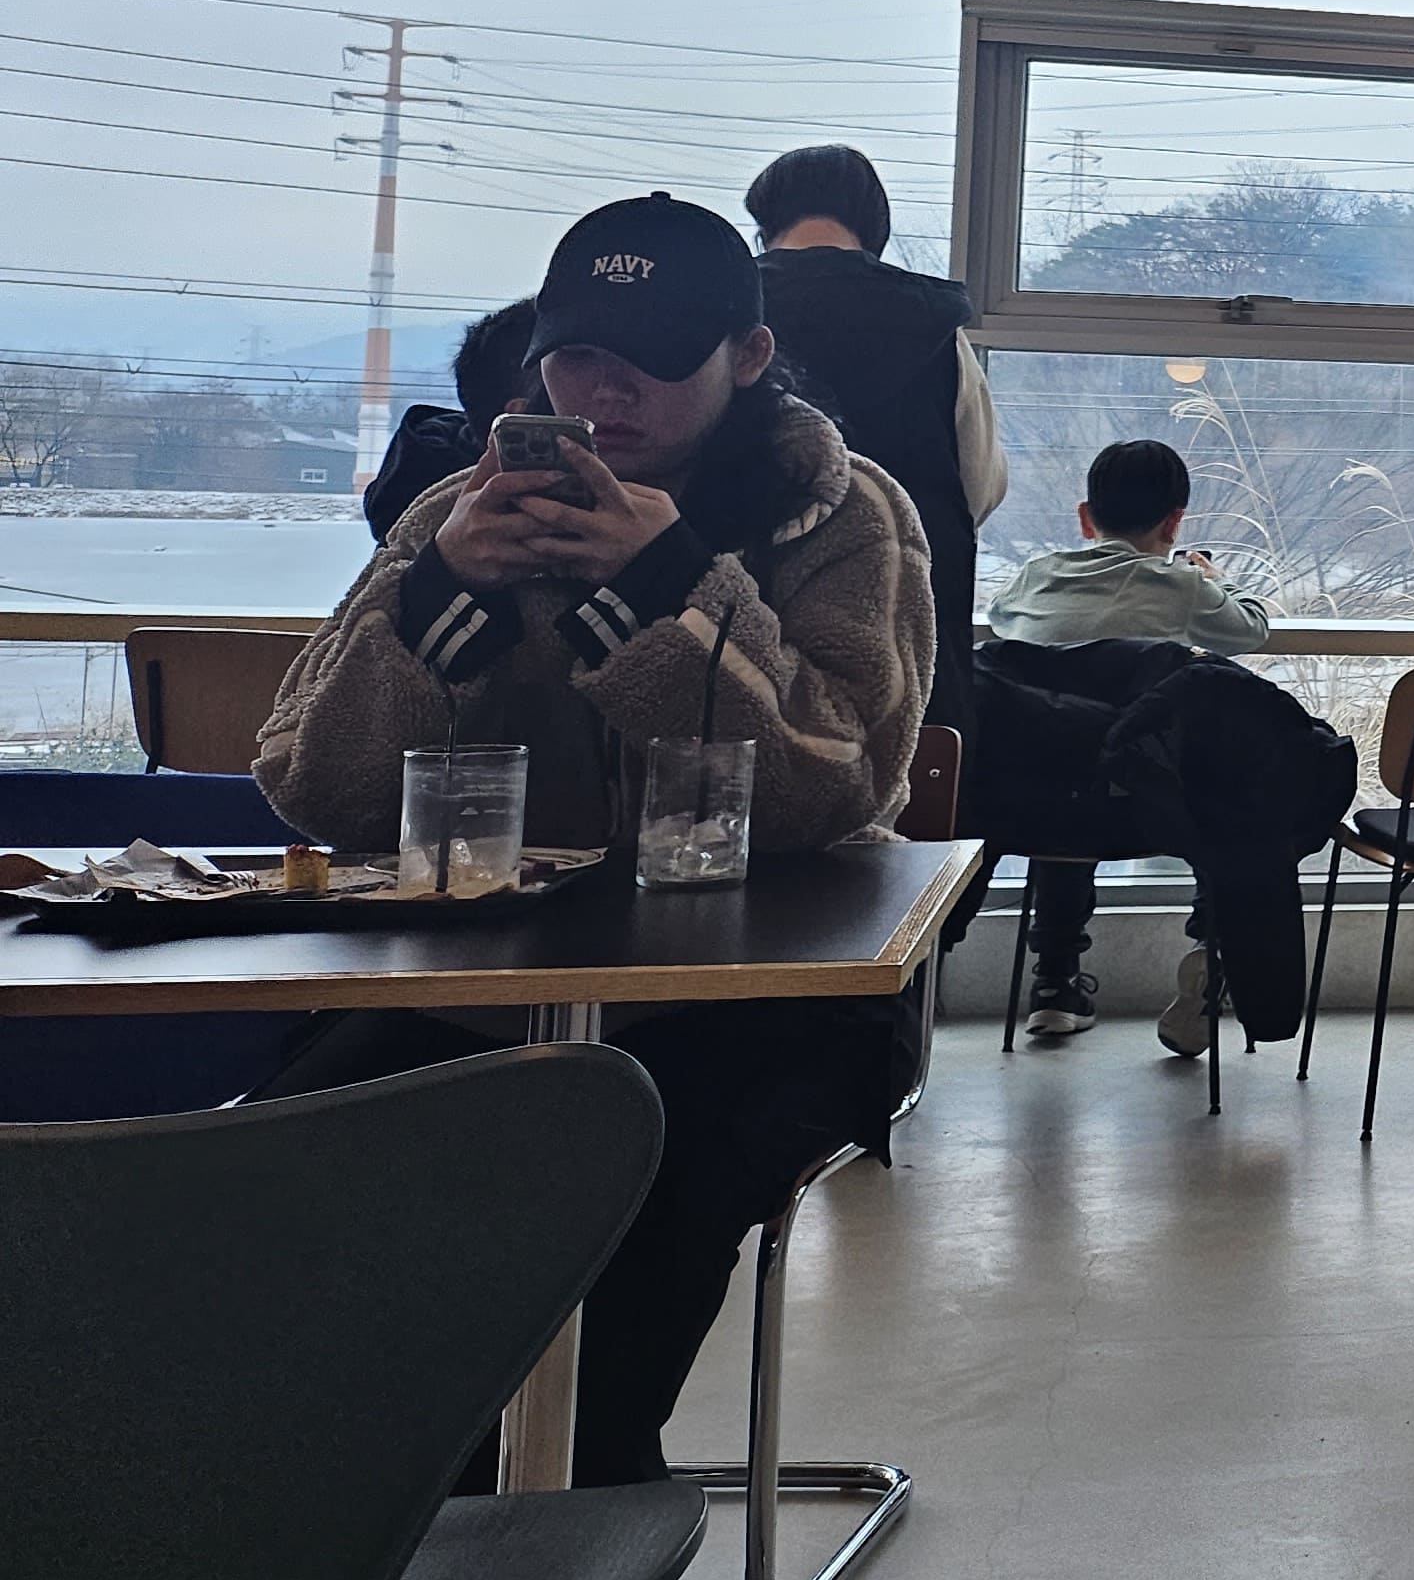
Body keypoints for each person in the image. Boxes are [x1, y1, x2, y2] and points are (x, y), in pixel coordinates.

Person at [253, 191, 936, 1485]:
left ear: (749, 356)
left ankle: (559, 1534)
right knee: (267, 1187)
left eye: (657, 357)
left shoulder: (840, 514)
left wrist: (670, 592)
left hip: (762, 997)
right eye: (577, 356)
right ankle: (368, 1518)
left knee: (623, 1203)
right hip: (472, 986)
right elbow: (311, 783)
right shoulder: (458, 509)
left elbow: (834, 787)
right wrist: (443, 593)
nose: (608, 393)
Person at [983, 437, 1271, 1041]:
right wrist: (1214, 581)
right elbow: (1250, 631)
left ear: (1085, 517)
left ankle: (1054, 981)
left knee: (1065, 762)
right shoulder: (1181, 588)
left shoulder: (1035, 578)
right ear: (1174, 522)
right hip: (1152, 812)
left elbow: (1004, 630)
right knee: (1221, 803)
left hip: (1031, 813)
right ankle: (1211, 956)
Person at [744, 142, 1006, 735]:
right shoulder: (936, 327)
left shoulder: (728, 318)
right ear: (874, 229)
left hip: (753, 625)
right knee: (911, 778)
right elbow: (981, 487)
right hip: (909, 634)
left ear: (765, 223)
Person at [358, 296, 536, 540]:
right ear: (521, 417)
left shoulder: (413, 533)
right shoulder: (479, 546)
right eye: (577, 359)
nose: (602, 393)